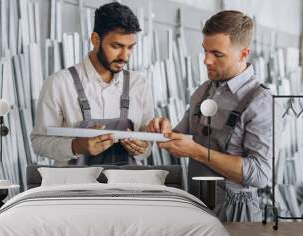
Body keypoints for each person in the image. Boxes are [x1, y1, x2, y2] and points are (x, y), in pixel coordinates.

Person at [147, 10, 272, 222]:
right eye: (205, 51)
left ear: (243, 54)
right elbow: (179, 137)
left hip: (237, 213)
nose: (206, 60)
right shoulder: (204, 91)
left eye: (217, 54)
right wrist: (163, 130)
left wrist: (197, 152)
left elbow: (260, 174)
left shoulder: (261, 101)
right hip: (198, 203)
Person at [31, 2, 154, 166]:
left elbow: (148, 145)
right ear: (96, 39)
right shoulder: (59, 83)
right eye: (116, 46)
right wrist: (75, 146)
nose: (125, 56)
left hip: (126, 189)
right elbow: (39, 143)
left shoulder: (139, 84)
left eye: (130, 47)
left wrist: (143, 148)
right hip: (74, 188)